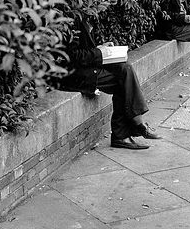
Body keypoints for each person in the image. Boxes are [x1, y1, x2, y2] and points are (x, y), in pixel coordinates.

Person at [60, 16, 162, 149]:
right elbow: (72, 57)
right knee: (123, 80)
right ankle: (134, 127)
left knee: (125, 69)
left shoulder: (82, 16)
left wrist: (99, 48)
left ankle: (129, 131)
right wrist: (98, 52)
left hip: (88, 66)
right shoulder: (70, 18)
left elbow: (82, 50)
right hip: (74, 74)